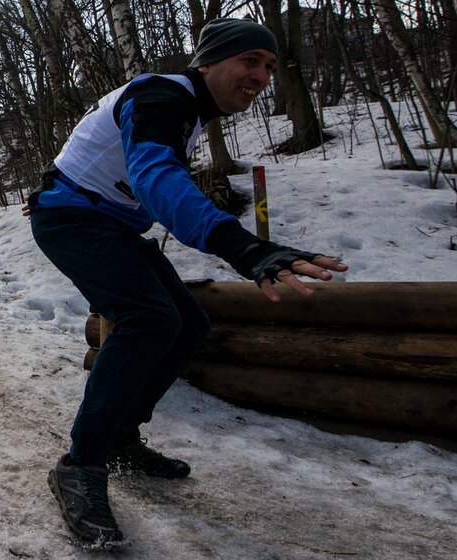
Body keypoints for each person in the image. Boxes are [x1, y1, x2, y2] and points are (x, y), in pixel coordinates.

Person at [26, 18, 348, 547]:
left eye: (269, 66)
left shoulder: (186, 108)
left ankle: (122, 437)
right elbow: (157, 179)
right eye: (249, 61)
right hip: (72, 217)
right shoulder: (161, 95)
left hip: (106, 220)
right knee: (149, 319)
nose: (262, 76)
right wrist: (241, 246)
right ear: (210, 62)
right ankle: (80, 466)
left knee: (187, 323)